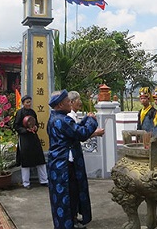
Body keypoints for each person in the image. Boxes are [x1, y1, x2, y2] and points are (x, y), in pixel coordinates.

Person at [47, 90, 101, 229]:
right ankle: (69, 224)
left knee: (66, 196)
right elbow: (81, 133)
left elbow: (73, 130)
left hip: (59, 163)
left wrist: (84, 120)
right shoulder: (62, 120)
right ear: (60, 105)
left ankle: (70, 221)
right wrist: (91, 120)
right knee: (69, 195)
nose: (70, 104)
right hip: (65, 165)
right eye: (67, 102)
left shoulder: (54, 118)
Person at [13, 95, 47, 189]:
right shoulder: (20, 112)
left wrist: (35, 128)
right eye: (27, 102)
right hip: (24, 139)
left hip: (33, 137)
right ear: (23, 103)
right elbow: (16, 126)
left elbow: (36, 123)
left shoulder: (32, 112)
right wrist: (25, 130)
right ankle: (26, 183)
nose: (29, 104)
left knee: (40, 158)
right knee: (25, 160)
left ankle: (44, 180)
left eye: (30, 102)